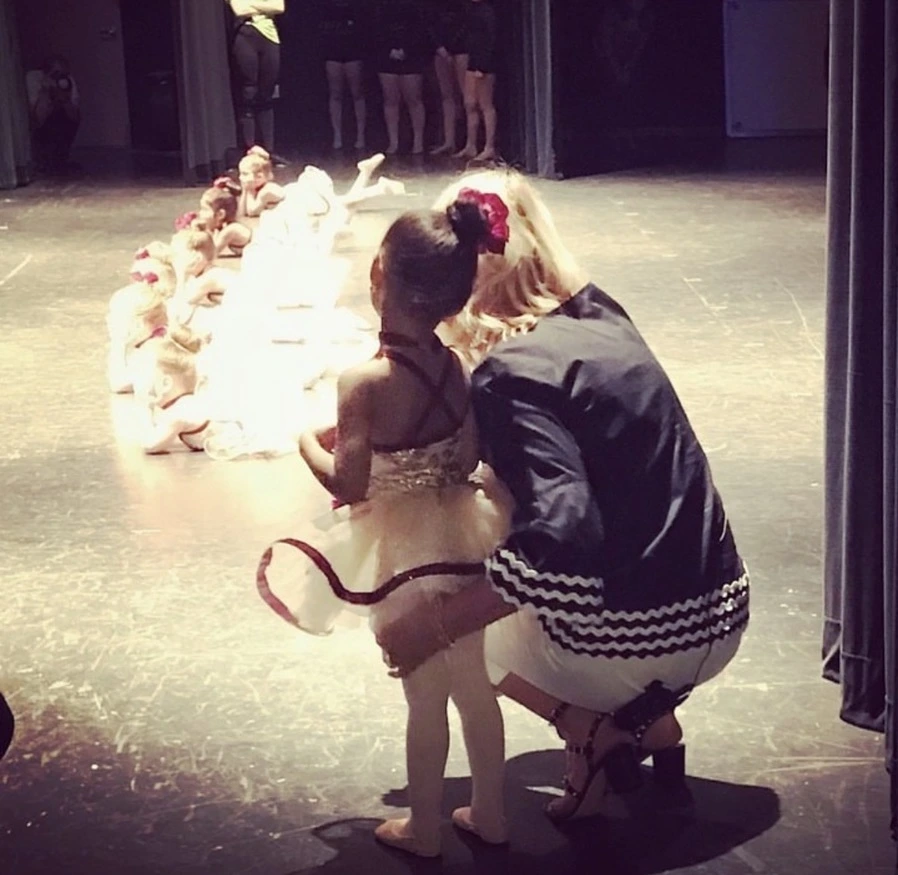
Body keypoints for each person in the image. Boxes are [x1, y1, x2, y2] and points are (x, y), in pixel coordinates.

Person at [376, 168, 751, 823]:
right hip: (721, 614)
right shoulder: (603, 313)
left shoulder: (510, 373)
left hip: (643, 639)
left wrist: (432, 624)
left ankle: (587, 724)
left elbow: (563, 534)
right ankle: (649, 719)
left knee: (446, 621)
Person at [257, 194, 516, 856]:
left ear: (378, 276)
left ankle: (423, 826)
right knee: (474, 684)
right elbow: (466, 455)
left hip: (404, 549)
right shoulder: (453, 366)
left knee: (423, 693)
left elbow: (347, 482)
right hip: (462, 534)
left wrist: (304, 442)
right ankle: (491, 810)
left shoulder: (363, 380)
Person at [227, 0, 286, 161]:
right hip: (245, 35)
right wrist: (263, 6)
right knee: (248, 91)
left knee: (267, 93)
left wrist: (251, 4)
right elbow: (240, 10)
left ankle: (269, 150)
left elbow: (279, 7)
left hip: (270, 36)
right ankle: (249, 148)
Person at [373, 0, 429, 155]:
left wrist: (408, 50)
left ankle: (418, 142)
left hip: (412, 58)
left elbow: (421, 29)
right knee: (390, 100)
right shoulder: (382, 6)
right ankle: (393, 142)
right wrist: (388, 50)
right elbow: (376, 29)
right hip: (386, 59)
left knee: (414, 100)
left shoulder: (415, 6)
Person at [317, 0, 367, 151]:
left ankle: (360, 135)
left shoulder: (356, 6)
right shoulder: (327, 6)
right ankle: (337, 135)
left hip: (353, 51)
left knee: (357, 93)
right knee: (335, 94)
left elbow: (363, 26)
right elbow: (321, 26)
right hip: (333, 51)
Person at [455, 0, 498, 161]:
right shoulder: (470, 10)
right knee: (470, 103)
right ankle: (470, 145)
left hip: (485, 64)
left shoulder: (487, 11)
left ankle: (489, 147)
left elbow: (490, 40)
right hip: (472, 62)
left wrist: (482, 66)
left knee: (485, 104)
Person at [25, 55, 81, 172]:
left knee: (63, 119)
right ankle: (43, 160)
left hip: (62, 118)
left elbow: (75, 117)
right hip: (42, 122)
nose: (59, 77)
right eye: (56, 73)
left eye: (62, 73)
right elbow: (37, 119)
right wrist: (46, 91)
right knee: (47, 123)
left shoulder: (67, 80)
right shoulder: (34, 79)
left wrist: (64, 96)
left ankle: (60, 159)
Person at [429, 0, 469, 156]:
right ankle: (449, 141)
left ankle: (470, 141)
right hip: (441, 51)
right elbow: (430, 24)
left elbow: (467, 25)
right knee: (447, 96)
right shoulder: (435, 5)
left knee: (467, 96)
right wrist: (440, 48)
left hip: (461, 49)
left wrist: (453, 47)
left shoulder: (463, 5)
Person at [237, 146, 286, 218]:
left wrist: (250, 191)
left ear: (259, 177)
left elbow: (252, 212)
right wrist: (245, 190)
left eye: (245, 174)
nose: (240, 177)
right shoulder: (255, 189)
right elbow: (241, 213)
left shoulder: (267, 191)